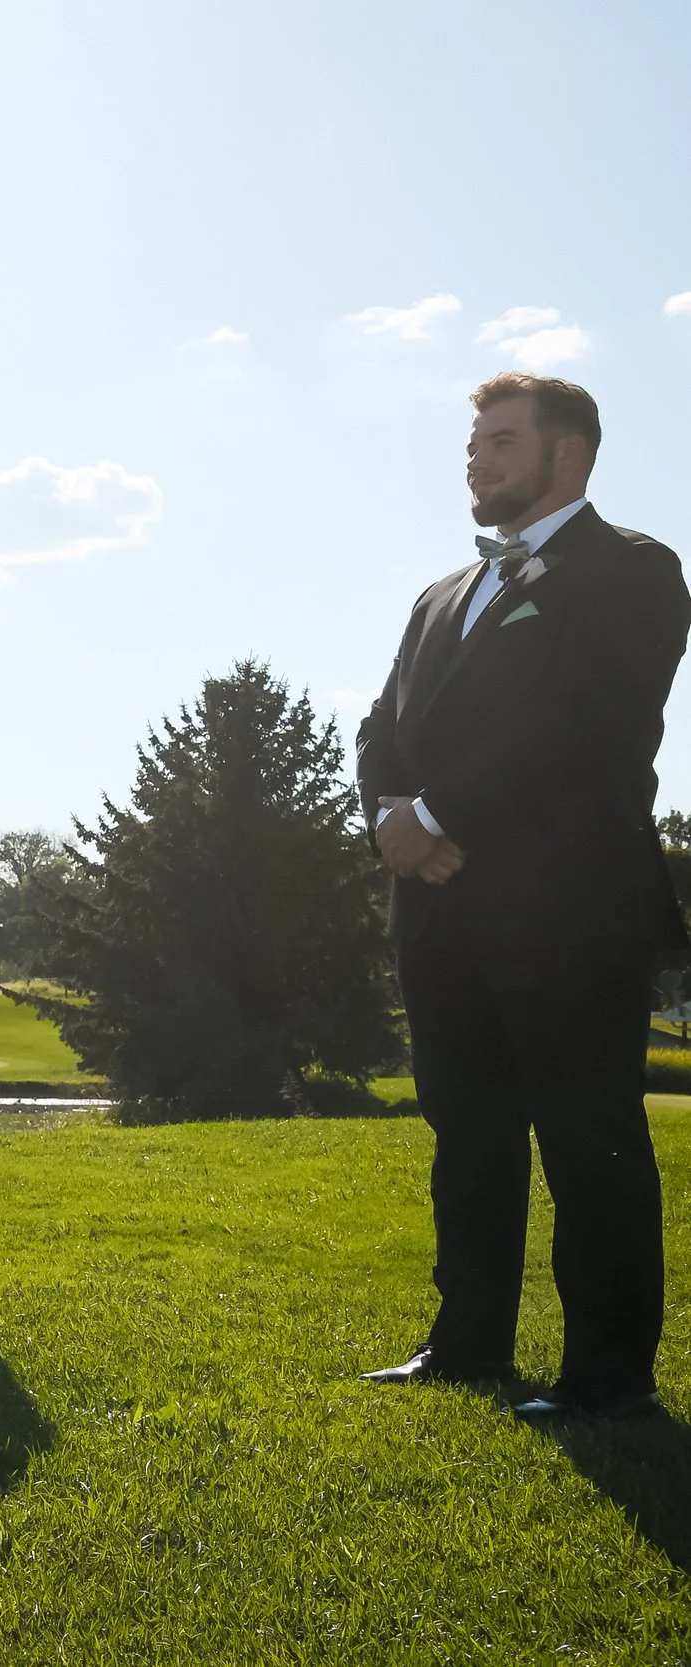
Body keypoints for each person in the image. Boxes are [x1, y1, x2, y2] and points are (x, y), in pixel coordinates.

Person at [356, 374, 684, 1420]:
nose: (474, 459)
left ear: (569, 454)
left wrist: (439, 815)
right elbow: (378, 728)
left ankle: (608, 1373)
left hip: (569, 909)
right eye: (470, 444)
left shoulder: (633, 569)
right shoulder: (438, 596)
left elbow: (592, 727)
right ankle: (467, 1344)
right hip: (442, 914)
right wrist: (389, 821)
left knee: (588, 1135)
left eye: (500, 440)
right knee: (470, 1132)